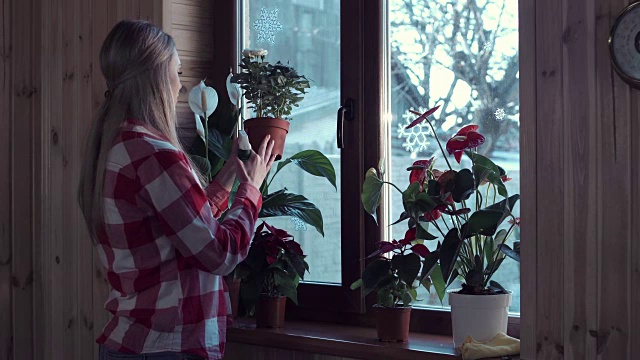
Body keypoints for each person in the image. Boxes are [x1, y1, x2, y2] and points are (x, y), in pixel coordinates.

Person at [77, 20, 275, 360]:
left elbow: (180, 227)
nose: (180, 86)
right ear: (155, 76)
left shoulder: (121, 143)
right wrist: (251, 190)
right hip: (166, 346)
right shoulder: (154, 153)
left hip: (134, 343)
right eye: (177, 72)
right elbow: (219, 254)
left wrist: (229, 173)